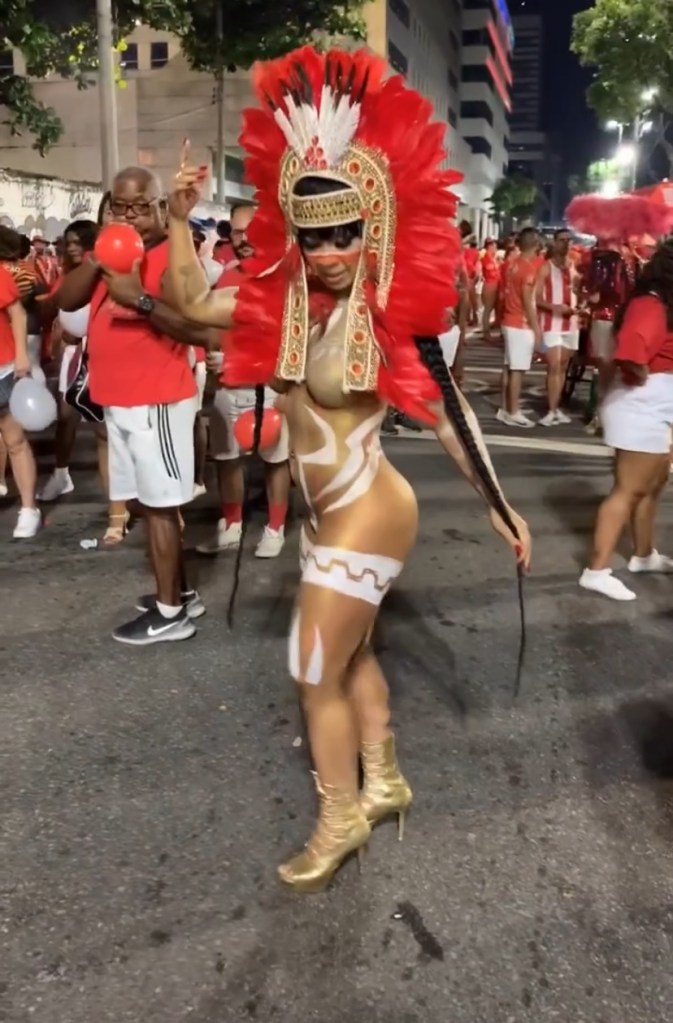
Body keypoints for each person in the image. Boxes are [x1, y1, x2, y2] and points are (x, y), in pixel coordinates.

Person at [166, 46, 531, 892]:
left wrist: (498, 503)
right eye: (312, 235)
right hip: (326, 513)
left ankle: (340, 818)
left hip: (371, 506)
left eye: (344, 232)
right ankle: (385, 776)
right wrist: (180, 220)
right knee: (352, 652)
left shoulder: (386, 318)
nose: (329, 250)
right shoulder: (279, 302)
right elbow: (188, 302)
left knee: (310, 666)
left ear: (372, 226)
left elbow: (449, 414)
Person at [57, 165, 216, 644]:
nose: (129, 216)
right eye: (119, 207)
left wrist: (140, 300)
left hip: (157, 401)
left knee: (162, 507)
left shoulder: (174, 253)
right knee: (148, 503)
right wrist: (99, 258)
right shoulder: (112, 253)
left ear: (160, 207)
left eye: (139, 207)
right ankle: (179, 593)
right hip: (120, 400)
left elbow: (199, 330)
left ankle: (170, 616)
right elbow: (66, 301)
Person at [580, 240, 673, 601]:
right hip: (642, 405)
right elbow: (631, 351)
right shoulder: (652, 303)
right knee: (628, 489)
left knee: (652, 485)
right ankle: (596, 570)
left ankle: (643, 555)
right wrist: (645, 376)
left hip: (654, 404)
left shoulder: (661, 301)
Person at [198, 201, 291, 558]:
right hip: (229, 384)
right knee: (227, 459)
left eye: (250, 230)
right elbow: (211, 323)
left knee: (276, 460)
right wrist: (213, 355)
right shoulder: (226, 275)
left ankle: (275, 529)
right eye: (237, 232)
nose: (244, 239)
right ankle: (232, 526)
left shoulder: (285, 275)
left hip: (270, 386)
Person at [0, 261, 41, 537]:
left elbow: (17, 312)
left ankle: (29, 509)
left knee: (14, 440)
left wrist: (22, 357)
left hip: (3, 366)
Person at [499, 227, 542, 428]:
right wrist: (536, 328)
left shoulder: (511, 265)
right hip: (520, 324)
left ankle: (505, 408)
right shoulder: (528, 269)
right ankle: (513, 411)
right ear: (535, 244)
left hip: (509, 320)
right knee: (517, 369)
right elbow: (528, 302)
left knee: (509, 367)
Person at [535, 228, 578, 427]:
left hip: (571, 324)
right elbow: (536, 298)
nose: (566, 243)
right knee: (553, 365)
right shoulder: (546, 267)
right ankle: (551, 410)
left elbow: (579, 291)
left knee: (562, 367)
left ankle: (556, 407)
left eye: (569, 240)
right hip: (551, 323)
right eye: (562, 240)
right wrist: (555, 307)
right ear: (554, 242)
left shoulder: (573, 267)